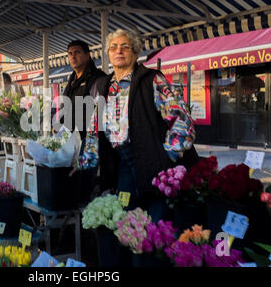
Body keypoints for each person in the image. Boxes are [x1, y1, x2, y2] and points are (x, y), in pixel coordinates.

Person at [75, 29, 199, 218]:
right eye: (114, 47)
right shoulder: (103, 86)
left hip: (153, 160)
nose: (119, 51)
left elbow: (182, 121)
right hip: (123, 163)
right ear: (107, 53)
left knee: (157, 220)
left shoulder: (152, 80)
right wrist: (84, 162)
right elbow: (94, 129)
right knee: (128, 218)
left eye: (126, 47)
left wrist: (167, 157)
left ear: (135, 52)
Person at [62, 40, 107, 205]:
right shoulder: (72, 80)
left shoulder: (98, 79)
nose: (73, 56)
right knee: (73, 186)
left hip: (89, 143)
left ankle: (86, 224)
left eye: (77, 52)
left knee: (85, 187)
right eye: (70, 53)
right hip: (71, 144)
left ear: (88, 55)